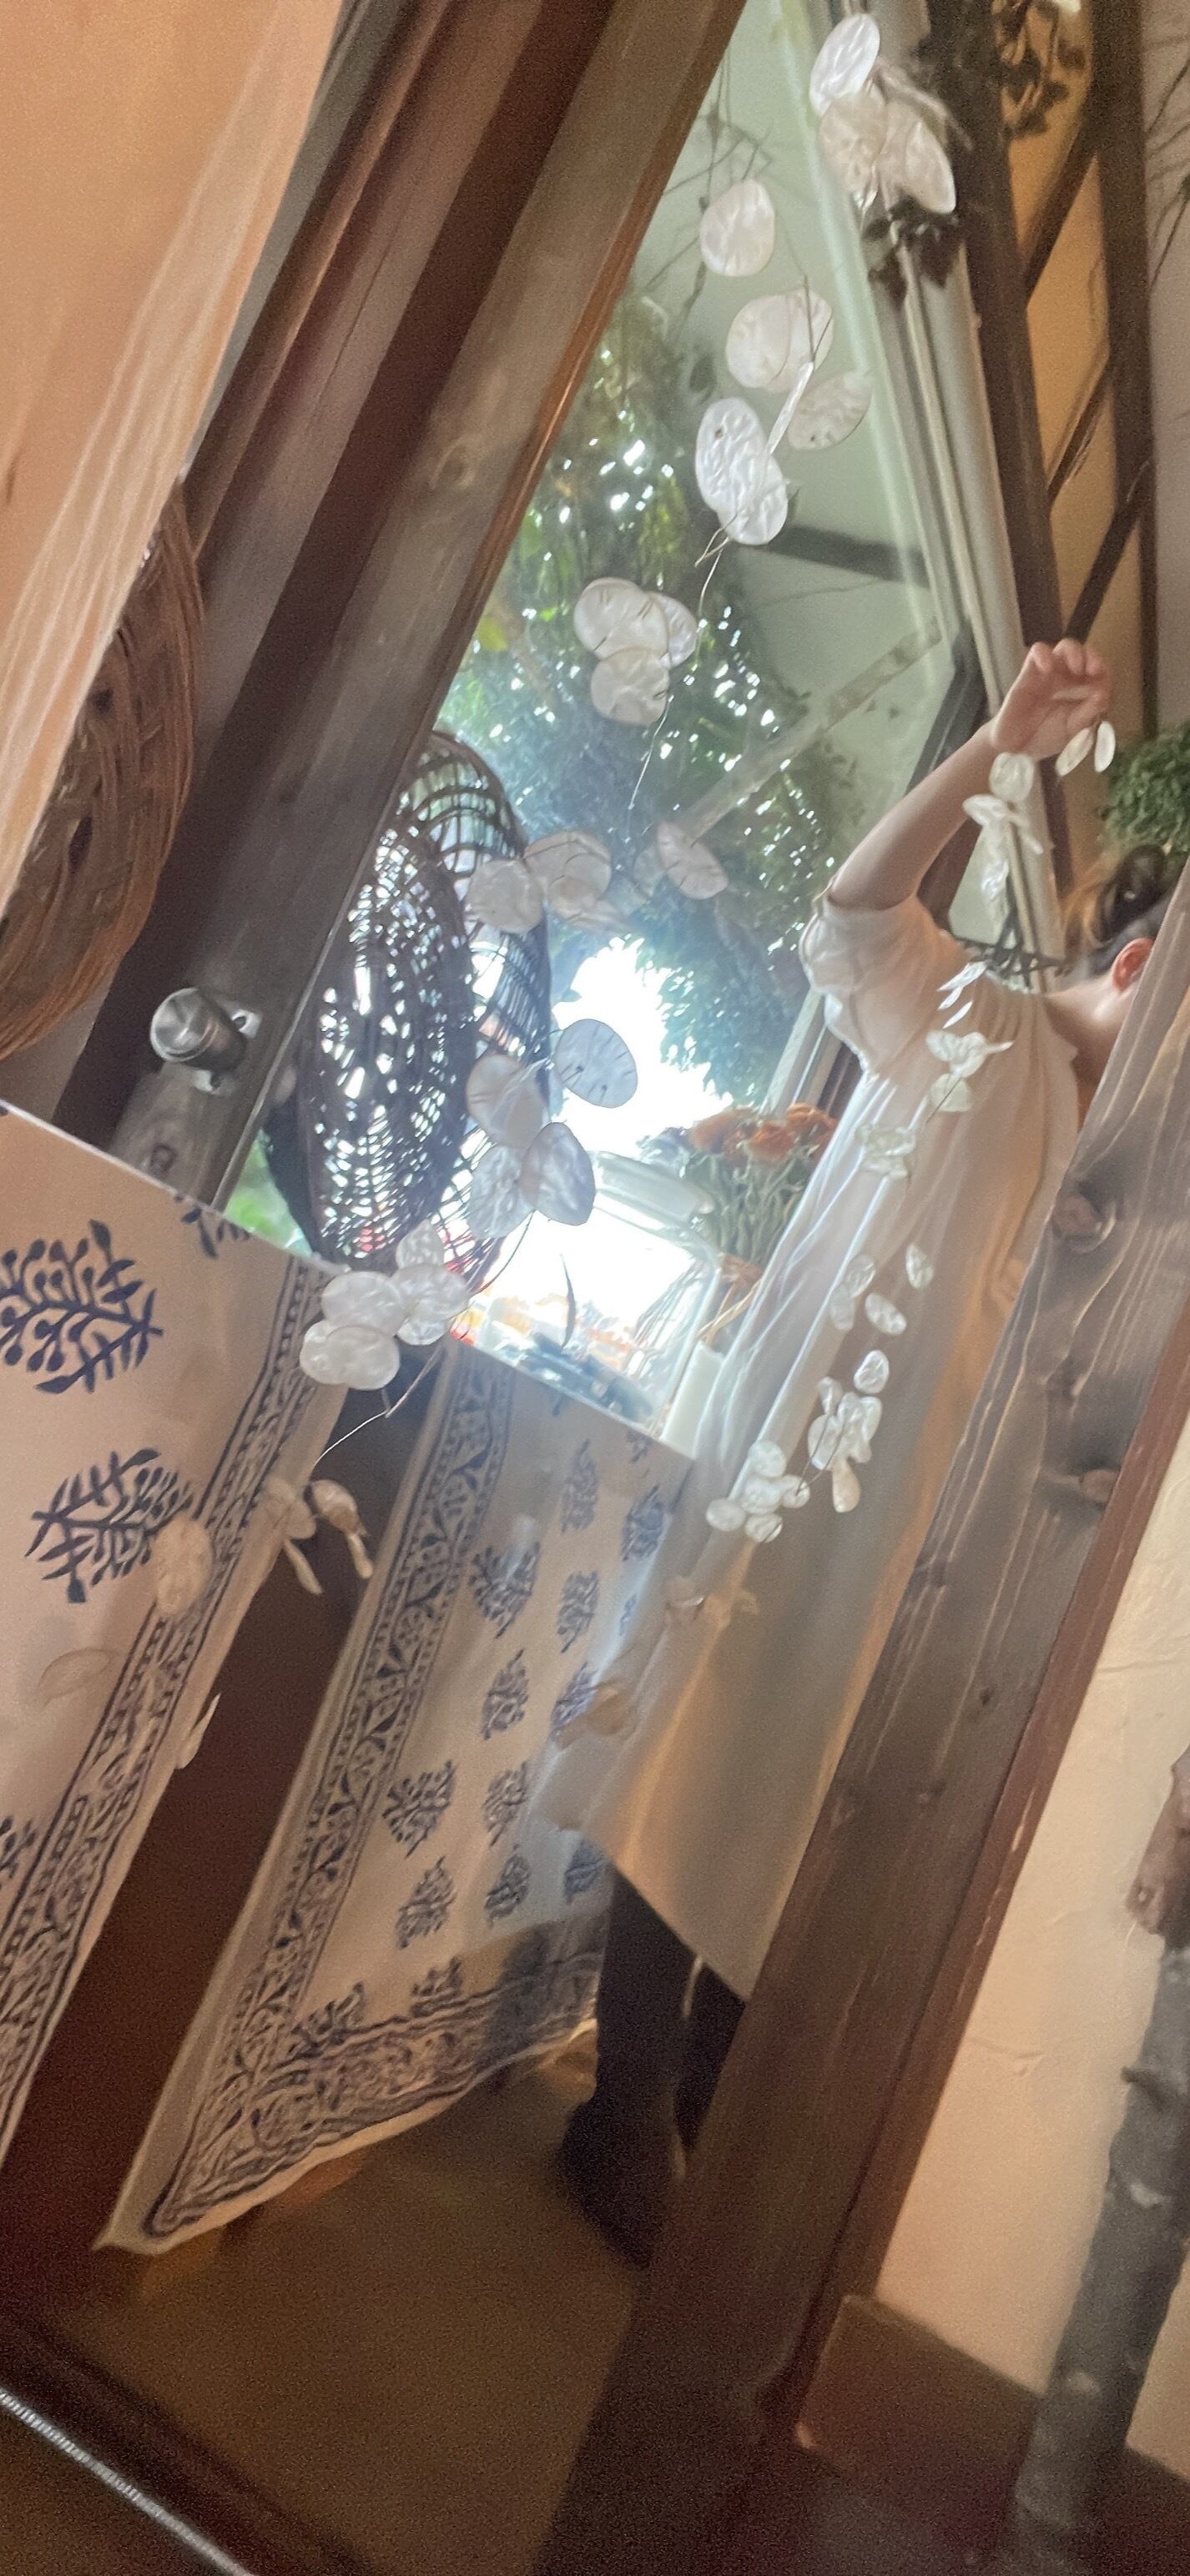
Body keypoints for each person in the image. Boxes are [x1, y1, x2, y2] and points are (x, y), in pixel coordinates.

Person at [539, 639, 1182, 2266]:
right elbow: (851, 911)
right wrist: (993, 746)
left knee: (822, 1824)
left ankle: (702, 2110)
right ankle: (620, 2111)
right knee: (700, 1759)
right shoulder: (973, 1025)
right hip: (805, 1497)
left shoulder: (1136, 1191)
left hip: (938, 1553)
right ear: (1140, 962)